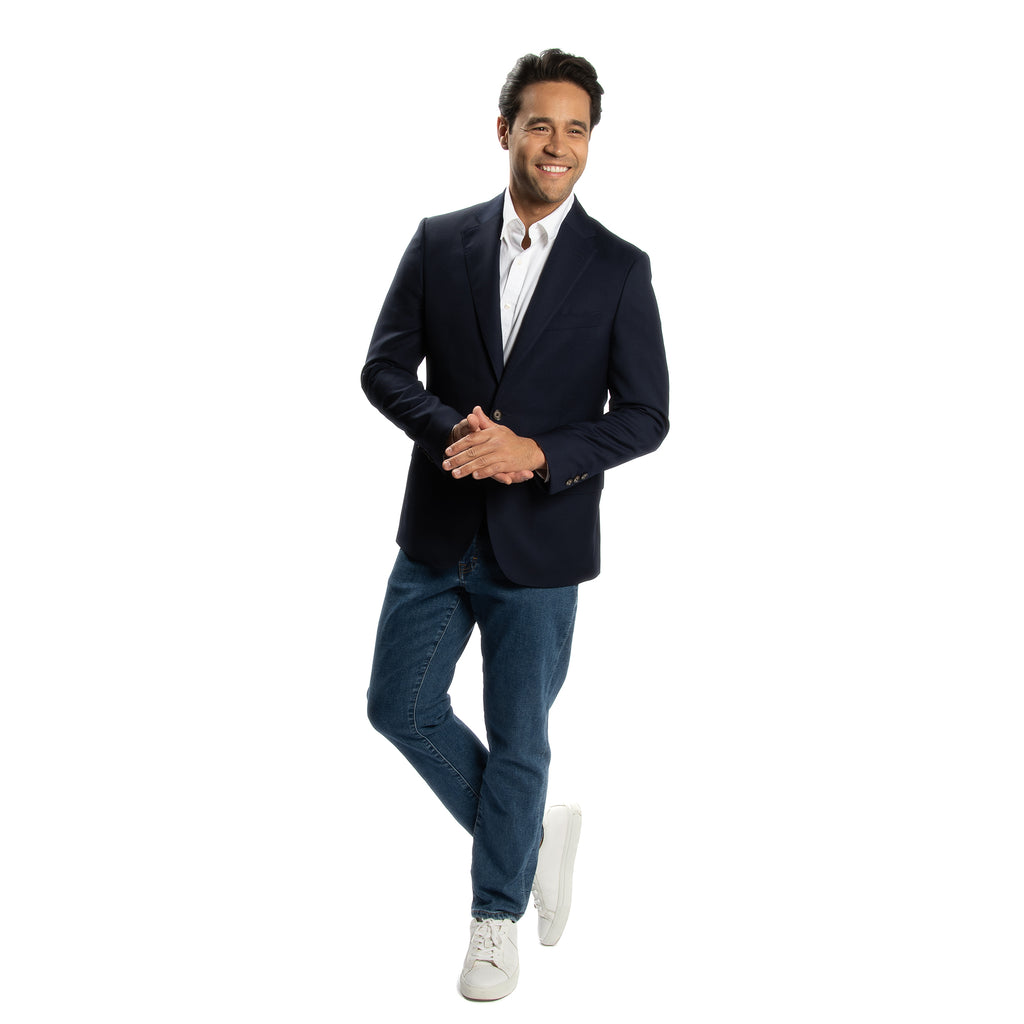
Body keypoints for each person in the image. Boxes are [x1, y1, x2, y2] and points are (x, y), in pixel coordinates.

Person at [361, 48, 670, 1001]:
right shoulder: (438, 241)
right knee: (398, 706)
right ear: (505, 131)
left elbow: (646, 416)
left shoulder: (619, 269)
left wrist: (535, 452)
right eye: (541, 124)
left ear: (591, 143)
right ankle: (535, 831)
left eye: (577, 129)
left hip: (542, 543)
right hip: (439, 529)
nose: (558, 144)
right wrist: (456, 434)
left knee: (519, 737)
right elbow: (383, 369)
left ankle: (495, 918)